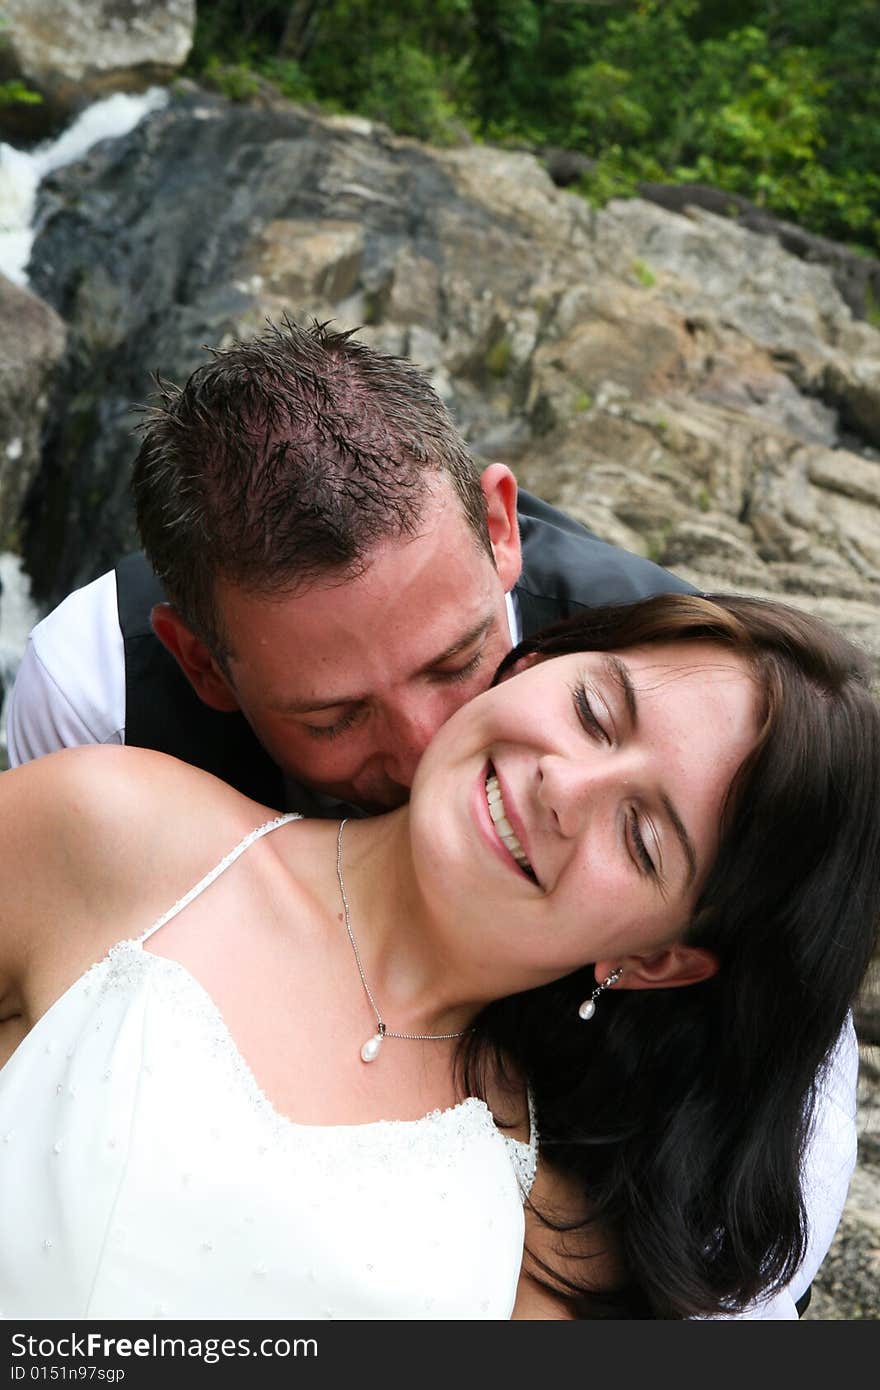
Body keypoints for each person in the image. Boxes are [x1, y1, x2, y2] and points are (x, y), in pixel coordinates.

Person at [2, 321, 859, 1317]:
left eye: (457, 663)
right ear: (200, 663)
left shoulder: (718, 747)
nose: (421, 753)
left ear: (502, 527)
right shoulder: (97, 736)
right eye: (332, 716)